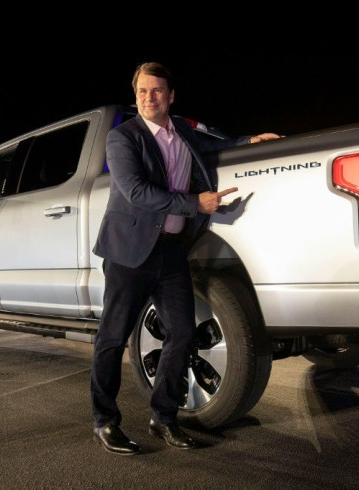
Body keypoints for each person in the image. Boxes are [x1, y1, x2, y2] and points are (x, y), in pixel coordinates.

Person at [90, 61, 280, 455]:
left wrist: (249, 143)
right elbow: (137, 192)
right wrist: (196, 202)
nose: (148, 98)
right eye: (142, 91)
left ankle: (163, 418)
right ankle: (105, 422)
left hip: (172, 252)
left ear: (171, 96)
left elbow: (215, 145)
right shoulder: (123, 138)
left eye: (156, 91)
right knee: (112, 338)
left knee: (181, 333)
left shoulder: (185, 134)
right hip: (129, 252)